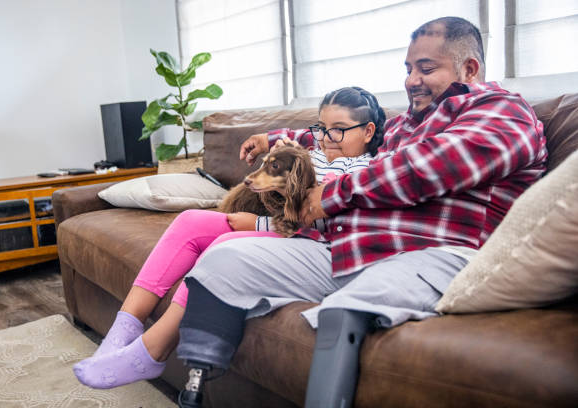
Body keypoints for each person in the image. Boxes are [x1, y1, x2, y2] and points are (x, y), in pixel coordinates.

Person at [173, 16, 548, 408]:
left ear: (469, 68)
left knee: (346, 306)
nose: (411, 80)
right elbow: (348, 135)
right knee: (224, 258)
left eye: (426, 68)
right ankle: (197, 389)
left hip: (437, 254)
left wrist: (333, 194)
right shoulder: (408, 123)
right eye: (408, 69)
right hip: (351, 249)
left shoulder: (503, 110)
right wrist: (275, 137)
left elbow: (431, 165)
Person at [71, 86, 387, 389]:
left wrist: (259, 224)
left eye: (339, 129)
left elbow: (330, 225)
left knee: (225, 246)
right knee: (190, 221)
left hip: (308, 243)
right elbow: (302, 139)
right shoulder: (318, 147)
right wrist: (270, 145)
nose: (327, 138)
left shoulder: (365, 171)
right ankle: (123, 328)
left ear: (369, 132)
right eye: (322, 128)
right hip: (273, 224)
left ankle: (153, 351)